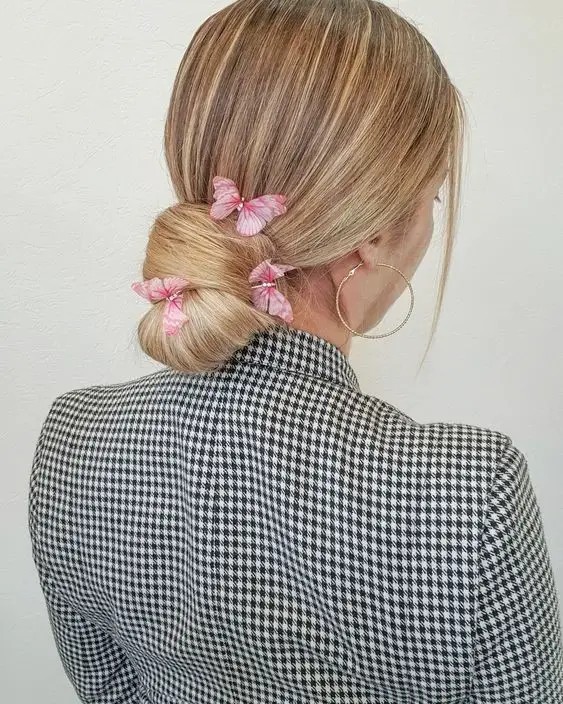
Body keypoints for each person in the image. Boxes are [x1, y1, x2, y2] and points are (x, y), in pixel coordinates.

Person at [27, 1, 563, 702]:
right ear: (369, 234)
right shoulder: (466, 493)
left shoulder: (73, 443)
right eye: (429, 202)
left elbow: (110, 693)